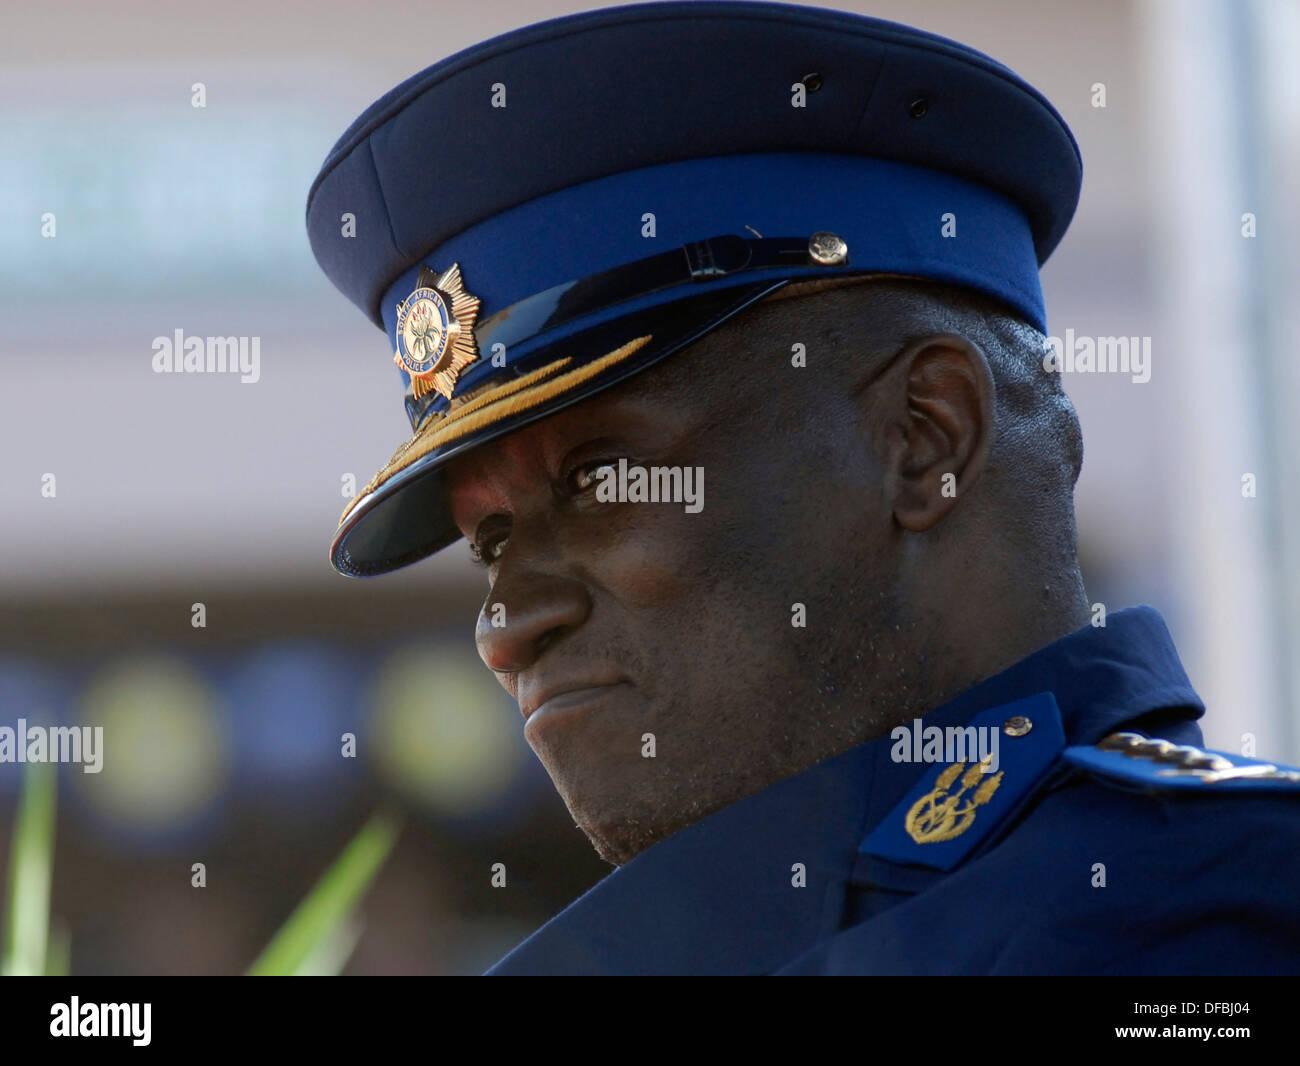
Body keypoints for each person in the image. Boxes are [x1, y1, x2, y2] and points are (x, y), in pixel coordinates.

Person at [306, 1, 1300, 974]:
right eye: (490, 541)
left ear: (923, 436)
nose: (505, 625)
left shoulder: (1188, 905)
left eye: (602, 475)